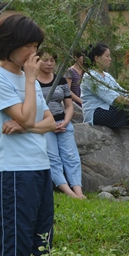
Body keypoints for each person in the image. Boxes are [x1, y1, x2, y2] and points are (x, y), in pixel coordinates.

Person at [0, 13, 57, 256]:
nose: (34, 53)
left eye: (36, 45)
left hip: (40, 169)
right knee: (17, 249)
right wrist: (28, 82)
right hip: (14, 173)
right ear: (10, 44)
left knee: (41, 247)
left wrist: (26, 125)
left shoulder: (29, 80)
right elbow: (27, 115)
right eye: (29, 45)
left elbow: (50, 121)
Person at [81, 43, 129, 143]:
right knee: (127, 105)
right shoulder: (90, 76)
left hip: (109, 108)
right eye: (107, 56)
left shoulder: (106, 75)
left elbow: (122, 92)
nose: (110, 59)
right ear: (97, 58)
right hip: (96, 113)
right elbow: (114, 99)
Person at [37, 51, 84, 199]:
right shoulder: (31, 82)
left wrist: (66, 121)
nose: (49, 63)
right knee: (53, 157)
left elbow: (68, 106)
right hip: (44, 124)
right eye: (45, 60)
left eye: (52, 60)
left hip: (62, 122)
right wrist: (48, 124)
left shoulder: (61, 81)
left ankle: (78, 191)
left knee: (71, 156)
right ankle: (67, 192)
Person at [66, 49, 85, 119]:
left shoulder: (86, 71)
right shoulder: (70, 71)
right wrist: (80, 100)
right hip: (75, 104)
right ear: (76, 57)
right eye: (83, 56)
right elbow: (67, 90)